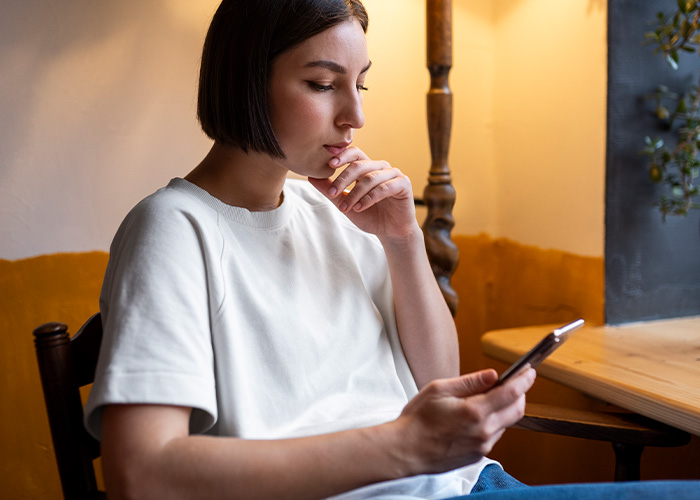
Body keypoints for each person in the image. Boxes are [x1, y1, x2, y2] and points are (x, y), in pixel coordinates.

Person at [84, 1, 698, 499]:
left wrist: (403, 241)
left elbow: (436, 378)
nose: (354, 114)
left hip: (464, 485)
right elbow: (144, 475)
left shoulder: (331, 212)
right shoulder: (174, 229)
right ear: (245, 80)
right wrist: (405, 445)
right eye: (322, 84)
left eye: (361, 84)